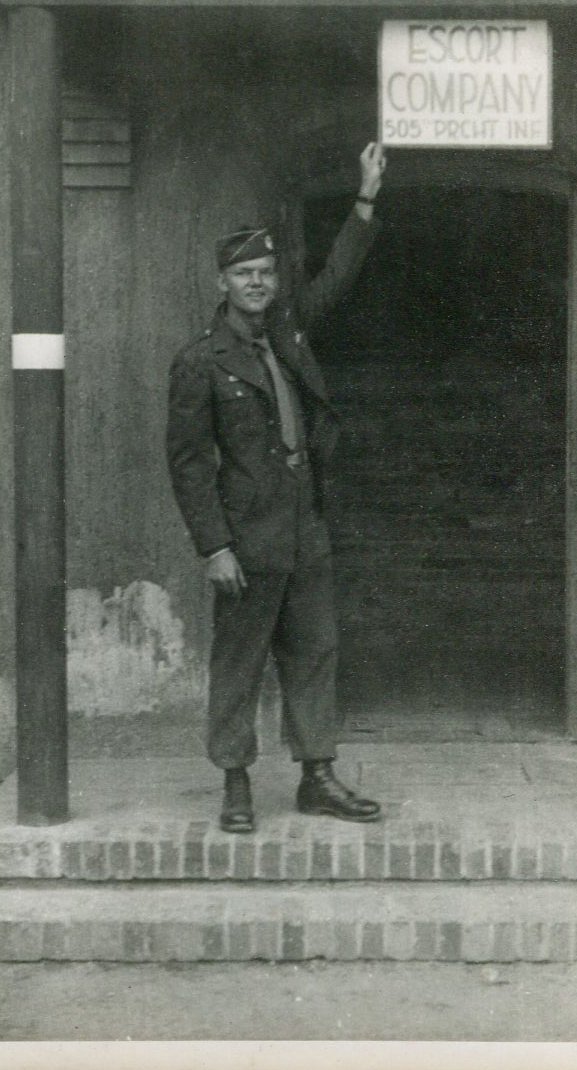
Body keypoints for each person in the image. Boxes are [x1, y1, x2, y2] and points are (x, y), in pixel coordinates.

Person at [167, 142, 386, 833]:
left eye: (265, 272)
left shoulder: (288, 332)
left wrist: (365, 201)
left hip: (303, 526)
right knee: (239, 662)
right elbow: (190, 464)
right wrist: (214, 548)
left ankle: (317, 776)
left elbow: (335, 278)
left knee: (315, 650)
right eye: (245, 274)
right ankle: (236, 783)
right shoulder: (201, 362)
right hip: (246, 537)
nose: (258, 283)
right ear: (223, 283)